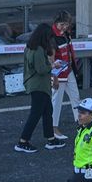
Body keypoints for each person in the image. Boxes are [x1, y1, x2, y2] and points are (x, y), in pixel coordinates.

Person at [15, 23, 66, 153]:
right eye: (49, 37)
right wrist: (54, 65)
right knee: (36, 114)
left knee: (47, 111)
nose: (50, 40)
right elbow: (41, 69)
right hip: (39, 85)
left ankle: (51, 139)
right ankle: (23, 141)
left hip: (36, 84)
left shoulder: (29, 47)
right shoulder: (38, 50)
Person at [50, 10, 81, 140]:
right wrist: (53, 77)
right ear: (56, 23)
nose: (64, 27)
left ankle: (81, 123)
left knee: (76, 96)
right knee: (56, 101)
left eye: (66, 24)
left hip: (68, 70)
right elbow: (50, 59)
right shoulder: (51, 36)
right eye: (62, 24)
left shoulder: (65, 34)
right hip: (58, 74)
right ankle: (53, 128)